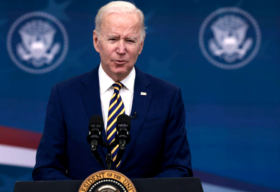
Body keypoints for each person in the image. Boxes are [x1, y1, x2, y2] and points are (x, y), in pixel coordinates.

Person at [33, 1, 192, 180]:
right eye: (113, 39)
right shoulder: (64, 95)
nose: (121, 49)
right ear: (96, 41)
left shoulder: (167, 96)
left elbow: (179, 169)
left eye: (130, 40)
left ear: (141, 45)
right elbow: (46, 169)